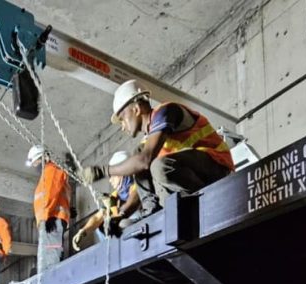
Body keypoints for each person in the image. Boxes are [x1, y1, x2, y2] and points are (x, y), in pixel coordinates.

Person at [81, 79, 234, 209]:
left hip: (218, 168)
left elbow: (145, 161)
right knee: (140, 153)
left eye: (122, 119)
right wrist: (121, 214)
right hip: (196, 175)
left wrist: (103, 171)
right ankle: (151, 209)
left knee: (157, 166)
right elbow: (140, 167)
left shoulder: (167, 111)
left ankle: (205, 199)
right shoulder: (147, 141)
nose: (122, 126)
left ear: (135, 109)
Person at [72, 151, 141, 251]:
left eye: (112, 176)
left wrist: (117, 215)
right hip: (124, 238)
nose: (110, 180)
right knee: (103, 225)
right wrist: (83, 231)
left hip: (141, 225)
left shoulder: (137, 185)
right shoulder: (115, 196)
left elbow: (134, 202)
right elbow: (98, 217)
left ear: (121, 173)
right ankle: (112, 251)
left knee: (122, 223)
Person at [27, 145, 71, 270]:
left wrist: (47, 216)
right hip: (51, 217)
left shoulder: (51, 170)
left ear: (44, 158)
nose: (35, 166)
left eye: (36, 162)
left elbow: (51, 193)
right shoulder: (49, 173)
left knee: (50, 258)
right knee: (48, 255)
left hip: (51, 218)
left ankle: (50, 283)